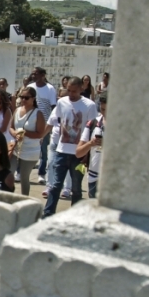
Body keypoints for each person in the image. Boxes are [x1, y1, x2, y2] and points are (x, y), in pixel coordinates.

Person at [43, 77, 98, 217]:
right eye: (69, 90)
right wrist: (41, 136)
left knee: (76, 188)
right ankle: (48, 213)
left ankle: (75, 216)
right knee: (55, 186)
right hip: (61, 151)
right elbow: (53, 121)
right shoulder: (62, 102)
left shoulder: (90, 105)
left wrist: (87, 154)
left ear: (81, 89)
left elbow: (92, 128)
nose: (71, 94)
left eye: (74, 91)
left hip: (78, 154)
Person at [10, 87, 47, 196]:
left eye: (26, 98)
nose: (23, 100)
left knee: (24, 178)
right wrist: (15, 134)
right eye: (21, 97)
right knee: (10, 173)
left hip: (31, 151)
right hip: (16, 148)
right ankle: (9, 196)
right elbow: (11, 127)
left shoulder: (38, 113)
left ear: (33, 98)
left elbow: (40, 134)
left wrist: (24, 133)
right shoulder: (17, 110)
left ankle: (23, 200)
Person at [26, 67, 58, 184]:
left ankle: (41, 173)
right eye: (32, 73)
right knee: (25, 146)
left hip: (44, 124)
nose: (33, 76)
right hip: (29, 121)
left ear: (43, 75)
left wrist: (52, 124)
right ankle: (21, 172)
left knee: (43, 150)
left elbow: (53, 107)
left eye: (36, 74)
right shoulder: (30, 87)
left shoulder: (50, 89)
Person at [77, 93, 107, 199]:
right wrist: (90, 143)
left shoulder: (123, 125)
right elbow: (78, 152)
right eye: (103, 110)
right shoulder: (93, 123)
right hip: (94, 177)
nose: (106, 113)